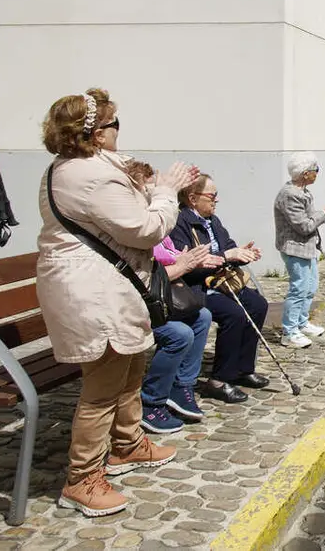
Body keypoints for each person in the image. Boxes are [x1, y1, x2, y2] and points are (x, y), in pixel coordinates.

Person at [37, 89, 198, 517]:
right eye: (114, 125)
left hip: (105, 285)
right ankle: (82, 478)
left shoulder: (87, 169)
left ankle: (127, 444)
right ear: (94, 134)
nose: (119, 132)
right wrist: (166, 191)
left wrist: (152, 187)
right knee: (103, 385)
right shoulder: (90, 176)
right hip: (93, 293)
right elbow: (144, 230)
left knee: (129, 363)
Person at [124, 161, 221, 434]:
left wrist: (193, 259)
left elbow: (167, 257)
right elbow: (146, 271)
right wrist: (185, 264)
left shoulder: (155, 220)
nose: (156, 193)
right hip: (135, 304)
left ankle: (181, 387)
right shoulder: (135, 224)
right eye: (151, 188)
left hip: (156, 296)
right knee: (179, 334)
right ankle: (152, 401)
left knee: (202, 315)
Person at [171, 175, 269, 403]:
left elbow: (228, 246)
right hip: (194, 287)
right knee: (233, 314)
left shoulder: (212, 220)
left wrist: (243, 255)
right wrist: (227, 256)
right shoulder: (180, 223)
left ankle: (242, 369)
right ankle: (219, 379)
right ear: (193, 198)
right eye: (212, 196)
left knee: (257, 304)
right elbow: (186, 265)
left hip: (221, 282)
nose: (216, 201)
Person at [274, 152, 325, 349]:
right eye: (315, 170)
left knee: (310, 287)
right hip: (295, 248)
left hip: (307, 248)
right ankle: (289, 332)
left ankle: (301, 322)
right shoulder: (290, 195)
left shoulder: (302, 191)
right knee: (298, 289)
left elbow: (311, 217)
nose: (317, 173)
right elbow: (304, 226)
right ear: (305, 173)